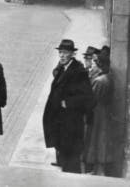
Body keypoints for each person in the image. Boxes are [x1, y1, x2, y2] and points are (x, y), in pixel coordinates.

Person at [43, 39, 95, 173]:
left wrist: (69, 103)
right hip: (62, 123)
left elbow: (88, 97)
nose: (61, 55)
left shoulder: (78, 71)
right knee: (65, 159)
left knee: (71, 162)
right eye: (60, 52)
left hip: (71, 124)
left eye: (65, 53)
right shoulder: (63, 68)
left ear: (72, 54)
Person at [84, 53, 113, 175]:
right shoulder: (107, 78)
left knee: (94, 138)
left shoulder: (99, 81)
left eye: (95, 63)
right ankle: (98, 166)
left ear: (99, 65)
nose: (93, 66)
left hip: (97, 112)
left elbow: (92, 98)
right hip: (104, 111)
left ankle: (93, 167)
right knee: (100, 138)